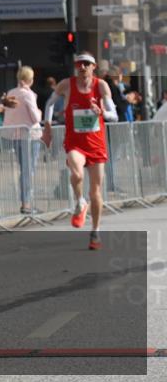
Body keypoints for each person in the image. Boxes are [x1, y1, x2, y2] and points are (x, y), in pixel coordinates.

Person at [42, 52, 118, 250]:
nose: (82, 67)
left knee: (96, 192)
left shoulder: (101, 85)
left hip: (96, 145)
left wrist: (102, 112)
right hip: (75, 142)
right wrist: (47, 125)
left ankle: (95, 231)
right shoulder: (66, 84)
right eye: (79, 64)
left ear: (93, 67)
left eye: (86, 64)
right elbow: (49, 104)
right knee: (76, 173)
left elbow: (114, 115)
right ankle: (79, 202)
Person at [4, 66, 44, 214]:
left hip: (15, 135)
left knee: (24, 169)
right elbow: (36, 118)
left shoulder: (11, 93)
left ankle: (26, 202)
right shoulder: (28, 95)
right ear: (30, 80)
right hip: (30, 136)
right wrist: (40, 112)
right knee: (28, 170)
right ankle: (26, 203)